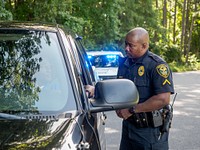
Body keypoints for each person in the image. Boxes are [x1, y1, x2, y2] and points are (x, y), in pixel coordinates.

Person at [116, 27, 174, 150]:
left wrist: (131, 110)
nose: (126, 48)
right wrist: (97, 90)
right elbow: (118, 88)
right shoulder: (125, 63)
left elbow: (163, 99)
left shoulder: (157, 66)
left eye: (131, 46)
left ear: (144, 46)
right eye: (126, 44)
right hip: (129, 128)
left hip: (149, 132)